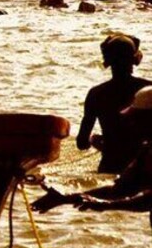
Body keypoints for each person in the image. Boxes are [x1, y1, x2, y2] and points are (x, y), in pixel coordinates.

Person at [33, 86, 152, 229]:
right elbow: (120, 190)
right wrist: (65, 197)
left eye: (137, 118)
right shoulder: (147, 151)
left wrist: (106, 206)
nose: (131, 123)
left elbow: (148, 201)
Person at [76, 33, 150, 173]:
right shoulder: (147, 91)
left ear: (107, 61)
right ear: (135, 59)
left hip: (110, 166)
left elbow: (81, 143)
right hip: (143, 168)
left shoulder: (96, 94)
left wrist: (97, 141)